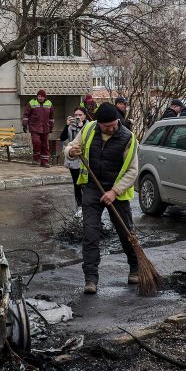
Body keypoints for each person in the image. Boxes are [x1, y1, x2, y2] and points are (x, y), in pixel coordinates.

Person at [65, 103, 140, 295]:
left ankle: (136, 267)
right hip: (92, 187)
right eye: (107, 126)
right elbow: (72, 147)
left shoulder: (128, 138)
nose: (112, 128)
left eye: (114, 124)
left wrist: (114, 192)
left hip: (118, 192)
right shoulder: (89, 129)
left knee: (126, 232)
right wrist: (71, 152)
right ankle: (90, 279)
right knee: (90, 233)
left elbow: (132, 171)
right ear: (99, 123)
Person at [60, 107, 89, 218]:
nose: (78, 117)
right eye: (76, 115)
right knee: (77, 184)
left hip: (85, 161)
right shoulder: (70, 126)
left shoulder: (89, 126)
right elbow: (62, 137)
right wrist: (67, 125)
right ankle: (80, 207)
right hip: (73, 159)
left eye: (80, 115)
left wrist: (82, 128)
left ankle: (88, 207)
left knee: (86, 185)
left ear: (85, 116)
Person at [22, 89, 54, 167]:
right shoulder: (31, 103)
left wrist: (51, 126)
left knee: (45, 145)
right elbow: (26, 115)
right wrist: (24, 125)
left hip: (45, 127)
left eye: (42, 96)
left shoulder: (49, 103)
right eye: (39, 96)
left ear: (45, 97)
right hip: (34, 127)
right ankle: (36, 159)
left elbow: (51, 117)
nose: (40, 98)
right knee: (36, 142)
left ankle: (45, 162)